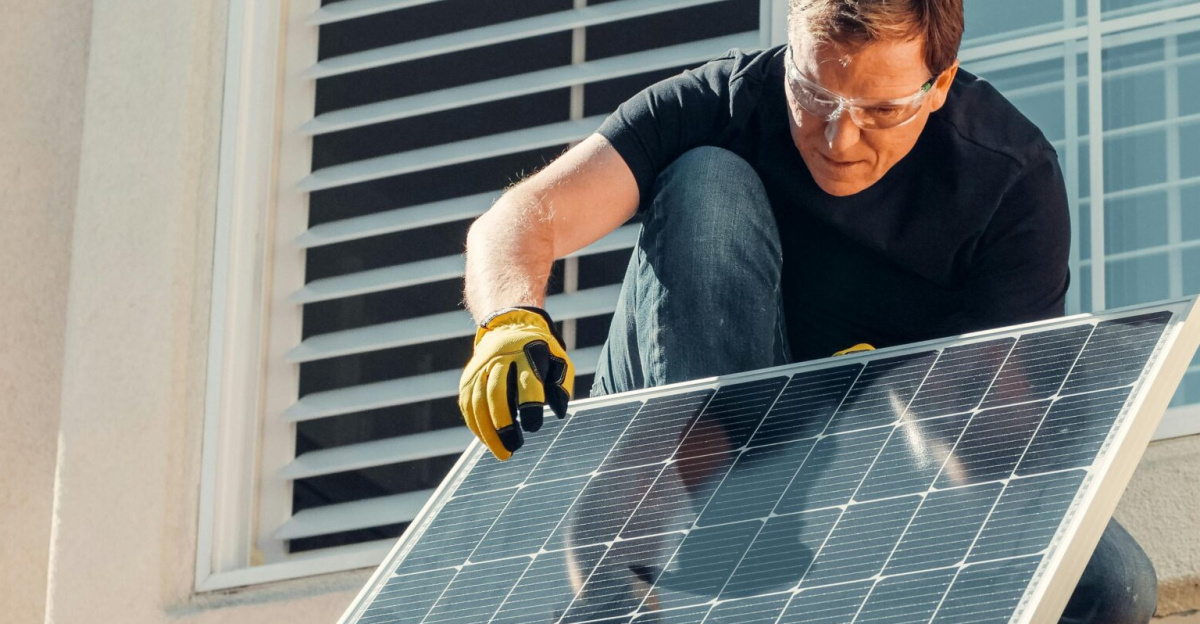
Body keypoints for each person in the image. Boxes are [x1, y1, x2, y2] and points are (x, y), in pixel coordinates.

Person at [457, 0, 1158, 621]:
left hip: (870, 467)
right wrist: (508, 322)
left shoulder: (1005, 179)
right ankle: (712, 536)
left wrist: (897, 403)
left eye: (881, 111)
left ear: (940, 84)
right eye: (813, 95)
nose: (837, 140)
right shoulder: (724, 102)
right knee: (708, 180)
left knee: (1109, 583)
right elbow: (522, 218)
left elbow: (1002, 464)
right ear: (789, 54)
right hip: (684, 434)